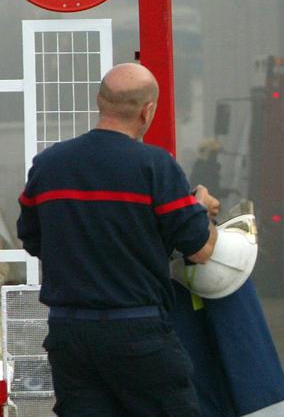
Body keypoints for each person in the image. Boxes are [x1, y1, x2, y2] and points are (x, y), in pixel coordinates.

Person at [17, 62, 219, 415]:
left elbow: (33, 240)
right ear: (147, 111)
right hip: (138, 332)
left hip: (69, 336)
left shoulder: (48, 165)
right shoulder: (155, 166)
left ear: (100, 101)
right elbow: (200, 249)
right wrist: (201, 208)